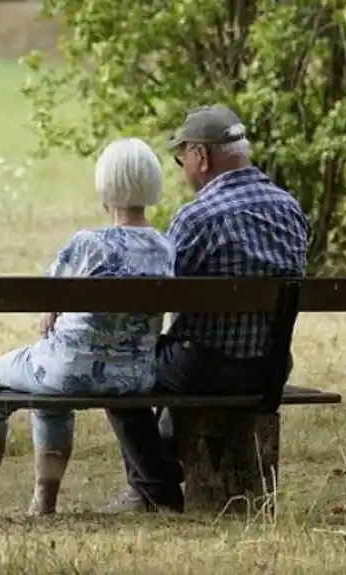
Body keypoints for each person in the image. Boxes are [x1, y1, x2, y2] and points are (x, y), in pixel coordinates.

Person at [102, 105, 310, 514]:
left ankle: (155, 488)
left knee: (117, 370)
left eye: (182, 159)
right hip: (269, 368)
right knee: (174, 358)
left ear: (201, 156)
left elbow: (156, 292)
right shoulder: (291, 209)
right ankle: (157, 477)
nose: (184, 169)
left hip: (204, 367)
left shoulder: (197, 218)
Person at [0, 137, 175, 517]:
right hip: (134, 377)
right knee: (48, 393)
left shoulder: (88, 244)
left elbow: (48, 300)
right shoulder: (165, 247)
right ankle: (42, 504)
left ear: (104, 188)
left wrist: (53, 311)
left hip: (68, 371)